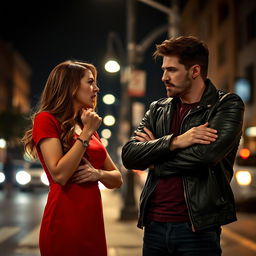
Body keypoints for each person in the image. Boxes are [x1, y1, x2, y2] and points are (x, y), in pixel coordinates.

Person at [121, 36, 244, 256]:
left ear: (194, 71)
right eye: (163, 70)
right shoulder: (157, 109)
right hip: (153, 226)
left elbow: (205, 156)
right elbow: (130, 156)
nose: (163, 77)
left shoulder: (225, 106)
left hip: (197, 229)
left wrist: (154, 160)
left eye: (171, 70)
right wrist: (176, 141)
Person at [22, 60, 123, 256]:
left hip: (92, 223)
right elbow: (60, 174)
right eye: (90, 82)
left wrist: (98, 173)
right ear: (71, 86)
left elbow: (117, 179)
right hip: (64, 221)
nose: (97, 88)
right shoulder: (46, 120)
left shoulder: (87, 126)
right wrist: (86, 134)